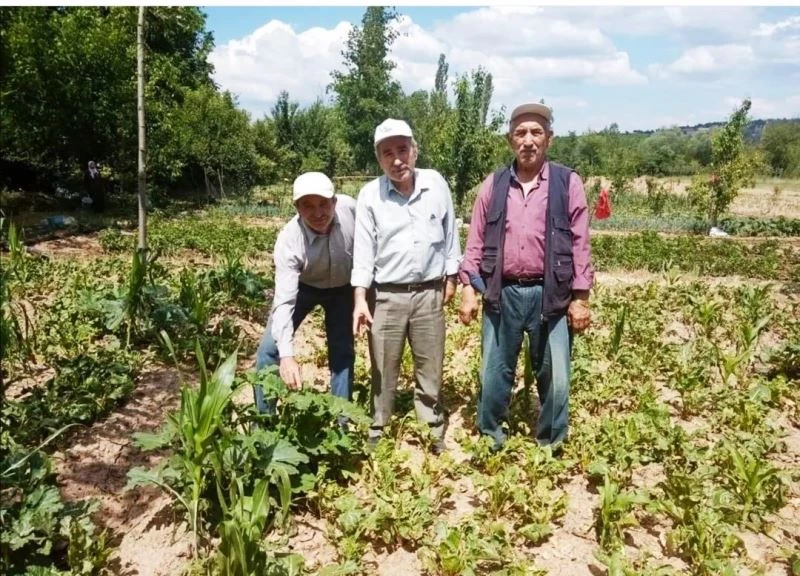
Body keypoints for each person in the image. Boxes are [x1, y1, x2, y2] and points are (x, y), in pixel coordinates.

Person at [458, 102, 594, 452]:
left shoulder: (567, 183)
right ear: (509, 140)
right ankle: (490, 438)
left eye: (536, 132)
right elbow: (474, 241)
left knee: (556, 376)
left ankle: (550, 442)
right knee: (493, 374)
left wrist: (580, 298)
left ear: (549, 138)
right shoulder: (494, 184)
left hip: (551, 293)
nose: (528, 140)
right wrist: (468, 289)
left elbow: (580, 242)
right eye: (521, 133)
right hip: (500, 293)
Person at [351, 118, 462, 454]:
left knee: (431, 363)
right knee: (383, 365)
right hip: (387, 295)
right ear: (378, 159)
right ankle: (378, 425)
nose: (397, 159)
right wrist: (360, 299)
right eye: (388, 153)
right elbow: (363, 252)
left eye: (402, 149)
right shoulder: (370, 195)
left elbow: (451, 232)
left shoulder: (436, 184)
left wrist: (452, 276)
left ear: (414, 150)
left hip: (429, 291)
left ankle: (431, 426)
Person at [253, 172, 356, 411]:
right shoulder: (289, 240)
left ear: (335, 202)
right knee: (270, 350)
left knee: (342, 353)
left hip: (342, 288)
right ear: (296, 208)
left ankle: (341, 423)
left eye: (323, 204)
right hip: (303, 288)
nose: (318, 213)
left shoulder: (351, 209)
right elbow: (284, 302)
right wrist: (287, 356)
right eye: (307, 206)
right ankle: (264, 424)